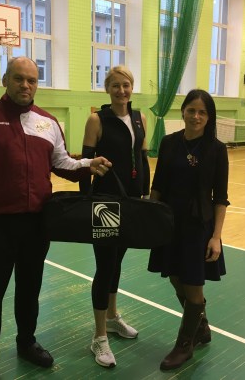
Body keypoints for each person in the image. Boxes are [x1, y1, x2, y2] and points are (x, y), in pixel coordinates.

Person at [0, 57, 112, 380]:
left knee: (29, 290)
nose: (25, 85)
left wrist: (87, 165)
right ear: (5, 80)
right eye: (19, 79)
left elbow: (61, 162)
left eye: (32, 80)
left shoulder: (47, 122)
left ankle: (26, 342)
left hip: (37, 225)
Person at [147, 89, 229, 370]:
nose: (196, 116)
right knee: (174, 277)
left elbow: (220, 198)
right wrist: (150, 219)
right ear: (183, 111)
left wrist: (216, 237)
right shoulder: (169, 143)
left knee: (193, 285)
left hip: (198, 226)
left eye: (202, 112)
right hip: (170, 221)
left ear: (209, 117)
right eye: (191, 110)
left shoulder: (217, 150)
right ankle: (202, 327)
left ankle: (185, 346)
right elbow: (158, 185)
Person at [79, 66, 150, 368]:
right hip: (105, 203)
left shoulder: (140, 118)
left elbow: (143, 159)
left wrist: (145, 195)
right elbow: (85, 164)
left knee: (117, 262)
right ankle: (98, 337)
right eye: (116, 86)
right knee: (105, 265)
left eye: (126, 85)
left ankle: (111, 317)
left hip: (131, 201)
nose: (122, 91)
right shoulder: (97, 120)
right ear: (107, 89)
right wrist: (86, 200)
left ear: (132, 88)